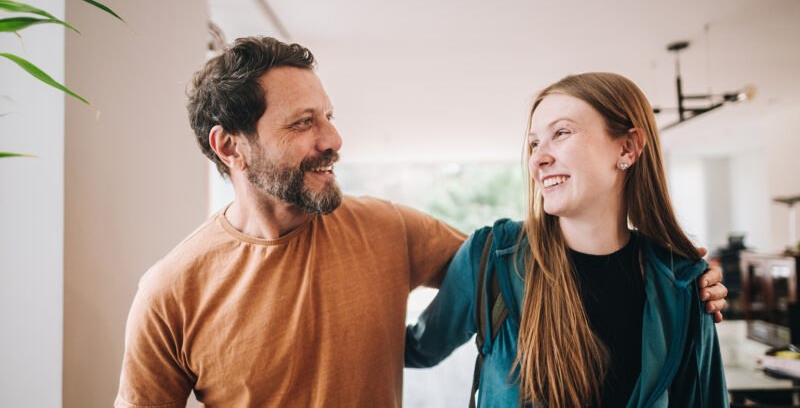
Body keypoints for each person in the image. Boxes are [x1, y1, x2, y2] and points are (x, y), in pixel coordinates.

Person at [115, 37, 727, 407]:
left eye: (327, 115)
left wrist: (687, 275)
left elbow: (529, 268)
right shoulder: (171, 291)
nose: (333, 138)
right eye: (303, 123)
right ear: (231, 147)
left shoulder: (391, 230)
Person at [406, 72, 729, 407]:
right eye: (534, 143)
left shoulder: (683, 284)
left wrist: (690, 279)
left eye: (561, 133)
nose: (537, 159)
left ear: (628, 147)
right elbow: (415, 348)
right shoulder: (492, 255)